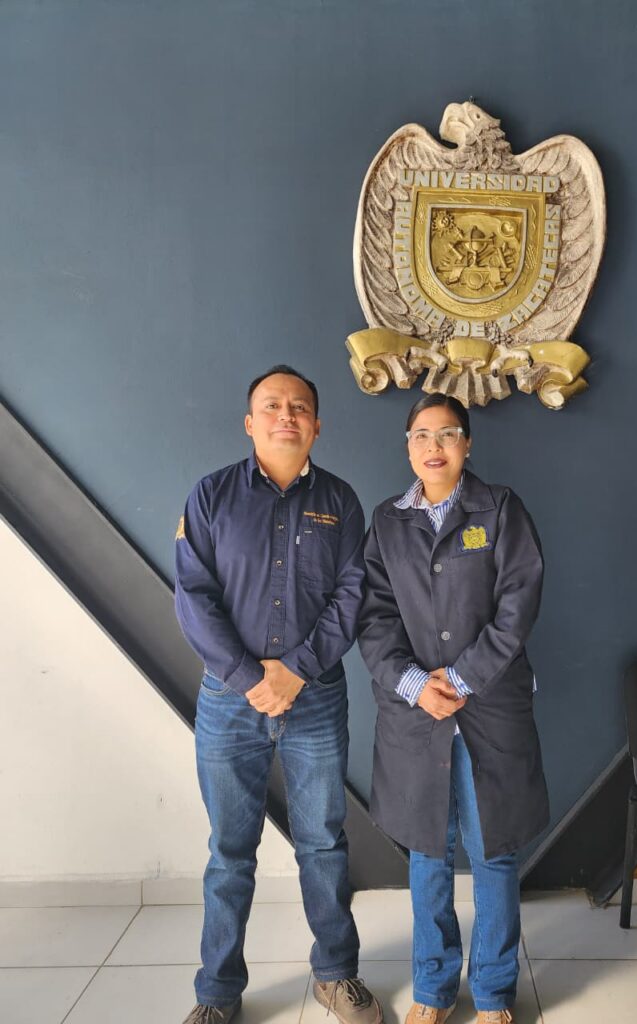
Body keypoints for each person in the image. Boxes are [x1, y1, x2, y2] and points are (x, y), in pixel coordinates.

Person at [175, 365, 382, 1024]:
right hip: (227, 701)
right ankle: (217, 993)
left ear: (317, 425)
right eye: (271, 405)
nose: (285, 415)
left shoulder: (341, 502)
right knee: (229, 852)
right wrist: (249, 678)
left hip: (314, 698)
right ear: (250, 422)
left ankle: (336, 974)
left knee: (323, 842)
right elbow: (193, 596)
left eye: (299, 407)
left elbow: (352, 596)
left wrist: (295, 671)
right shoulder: (211, 496)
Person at [358, 394, 549, 1024]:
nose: (433, 446)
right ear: (407, 446)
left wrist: (464, 677)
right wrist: (416, 684)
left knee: (494, 850)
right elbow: (374, 618)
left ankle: (493, 991)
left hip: (489, 708)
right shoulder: (387, 521)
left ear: (467, 443)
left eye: (447, 433)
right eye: (421, 435)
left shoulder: (500, 509)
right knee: (427, 852)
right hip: (417, 714)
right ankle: (433, 988)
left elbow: (518, 603)